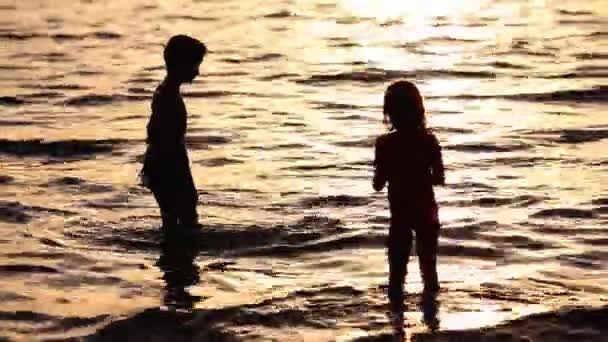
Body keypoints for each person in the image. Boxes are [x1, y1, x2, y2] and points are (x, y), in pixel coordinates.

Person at [372, 80, 445, 330]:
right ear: (419, 110)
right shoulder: (429, 141)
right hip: (427, 213)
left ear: (389, 112)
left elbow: (378, 184)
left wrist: (391, 168)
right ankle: (432, 324)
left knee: (396, 275)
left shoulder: (385, 144)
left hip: (400, 216)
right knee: (429, 270)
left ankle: (397, 325)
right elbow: (439, 178)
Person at [140, 35, 206, 228]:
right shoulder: (169, 98)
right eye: (195, 65)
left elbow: (154, 133)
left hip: (159, 165)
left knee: (172, 219)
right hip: (169, 167)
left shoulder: (164, 92)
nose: (197, 72)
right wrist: (185, 179)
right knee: (187, 219)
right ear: (181, 64)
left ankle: (172, 254)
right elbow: (170, 142)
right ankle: (179, 253)